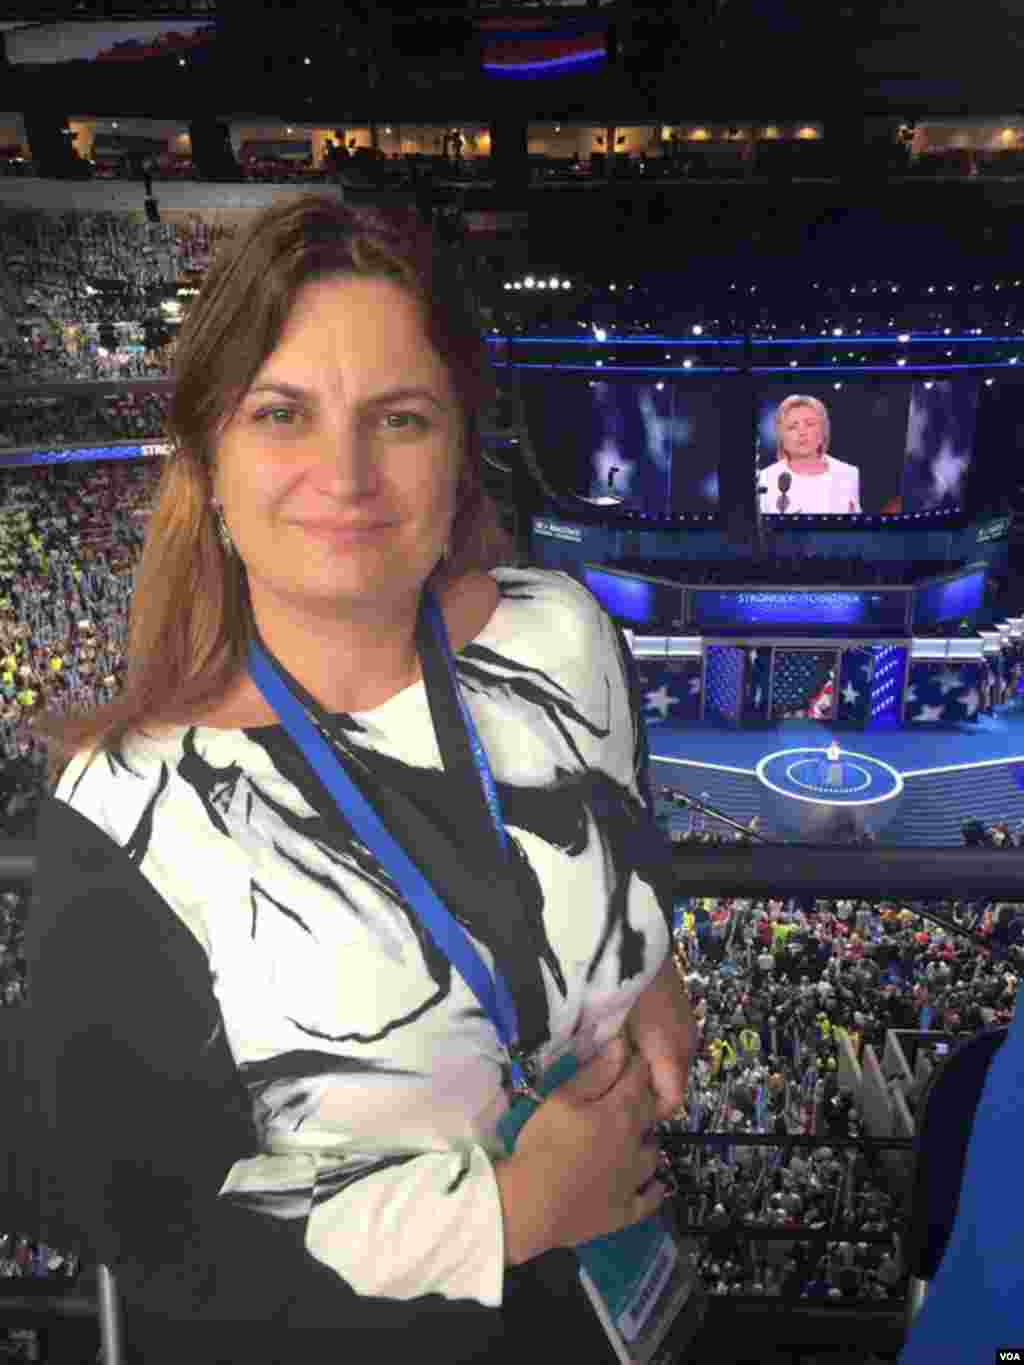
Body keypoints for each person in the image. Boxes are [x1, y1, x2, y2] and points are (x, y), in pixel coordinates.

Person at [25, 195, 696, 1365]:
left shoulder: (563, 638)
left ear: (455, 455)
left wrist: (647, 973)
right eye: (283, 413)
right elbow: (155, 1228)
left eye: (398, 418)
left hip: (599, 1318)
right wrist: (509, 1211)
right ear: (212, 466)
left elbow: (620, 848)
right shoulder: (122, 815)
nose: (345, 473)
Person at [758, 395, 861, 515]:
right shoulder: (765, 478)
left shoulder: (848, 474)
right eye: (792, 427)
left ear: (823, 431)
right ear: (781, 437)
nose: (802, 432)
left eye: (810, 424)